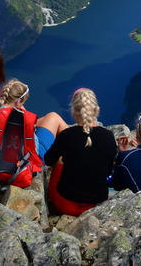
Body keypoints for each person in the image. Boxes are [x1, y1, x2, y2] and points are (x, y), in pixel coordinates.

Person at [43, 88, 118, 216]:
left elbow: (48, 160)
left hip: (65, 204)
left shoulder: (66, 135)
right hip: (97, 203)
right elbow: (107, 171)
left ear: (73, 112)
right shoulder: (108, 136)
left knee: (61, 160)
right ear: (97, 111)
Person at [0, 79, 69, 158]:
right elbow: (34, 144)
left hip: (0, 147)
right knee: (54, 117)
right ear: (18, 101)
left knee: (48, 118)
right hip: (33, 156)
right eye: (22, 102)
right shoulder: (20, 120)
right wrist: (25, 117)